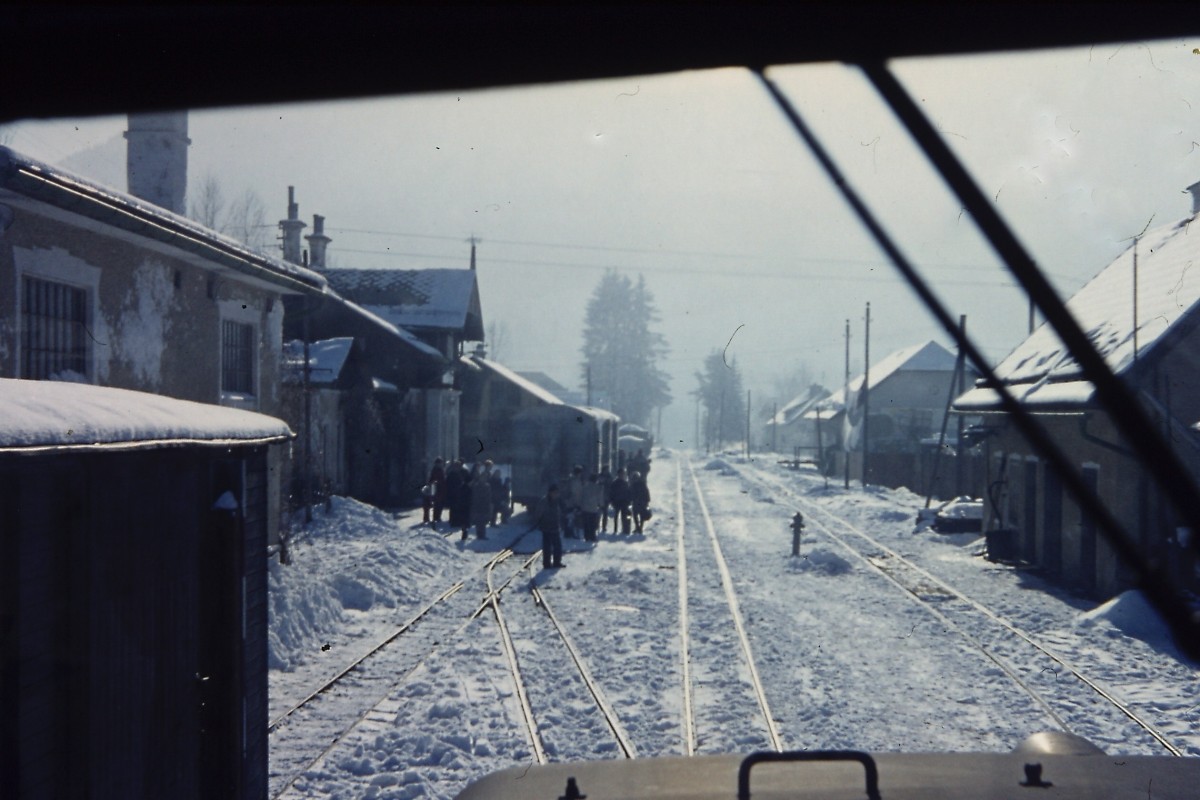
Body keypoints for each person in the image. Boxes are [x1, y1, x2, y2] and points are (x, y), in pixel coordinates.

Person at [530, 484, 564, 569]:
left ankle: (557, 562)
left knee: (557, 546)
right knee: (547, 546)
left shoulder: (557, 501)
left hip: (555, 526)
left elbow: (560, 512)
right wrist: (538, 522)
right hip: (546, 526)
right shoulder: (544, 501)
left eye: (557, 493)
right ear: (550, 493)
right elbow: (538, 513)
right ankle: (547, 563)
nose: (556, 494)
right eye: (555, 493)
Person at [469, 463, 492, 540]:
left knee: (483, 521)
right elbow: (474, 496)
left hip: (484, 505)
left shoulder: (487, 486)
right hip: (478, 505)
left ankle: (482, 534)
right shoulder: (477, 486)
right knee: (479, 521)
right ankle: (480, 535)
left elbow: (489, 497)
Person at [580, 472, 604, 542]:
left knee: (586, 523)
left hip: (585, 507)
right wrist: (601, 505)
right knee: (592, 523)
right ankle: (592, 536)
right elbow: (600, 497)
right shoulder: (597, 487)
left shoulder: (585, 487)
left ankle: (586, 536)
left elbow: (582, 496)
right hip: (593, 508)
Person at [423, 457, 445, 527]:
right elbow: (436, 479)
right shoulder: (437, 470)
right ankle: (436, 517)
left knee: (437, 504)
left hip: (438, 489)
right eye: (440, 463)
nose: (441, 464)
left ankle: (435, 517)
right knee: (437, 504)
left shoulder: (437, 469)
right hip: (437, 489)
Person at [563, 464, 584, 539]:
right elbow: (576, 493)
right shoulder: (575, 481)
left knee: (570, 518)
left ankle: (568, 533)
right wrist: (578, 503)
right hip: (573, 502)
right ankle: (570, 533)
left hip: (570, 502)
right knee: (571, 518)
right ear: (579, 473)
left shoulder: (571, 479)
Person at [609, 467, 632, 535]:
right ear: (618, 474)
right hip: (617, 502)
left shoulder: (625, 483)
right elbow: (611, 492)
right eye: (621, 474)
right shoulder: (615, 483)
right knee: (616, 516)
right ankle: (615, 529)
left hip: (624, 502)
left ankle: (624, 529)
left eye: (623, 474)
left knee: (624, 516)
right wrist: (612, 500)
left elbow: (629, 492)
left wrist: (629, 501)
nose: (622, 475)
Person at [630, 470, 651, 534]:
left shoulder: (641, 484)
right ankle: (638, 527)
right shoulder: (633, 485)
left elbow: (646, 492)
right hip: (637, 502)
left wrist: (647, 500)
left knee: (640, 515)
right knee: (636, 515)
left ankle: (639, 527)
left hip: (641, 502)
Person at [598, 466, 613, 533]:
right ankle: (597, 525)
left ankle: (604, 527)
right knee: (599, 512)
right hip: (599, 496)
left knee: (605, 513)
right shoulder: (599, 476)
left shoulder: (610, 477)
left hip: (606, 497)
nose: (606, 471)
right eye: (605, 470)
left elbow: (611, 486)